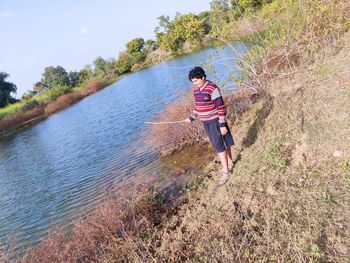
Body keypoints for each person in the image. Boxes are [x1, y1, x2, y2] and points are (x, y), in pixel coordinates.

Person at [185, 66, 234, 185]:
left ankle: (226, 172)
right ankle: (230, 163)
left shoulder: (212, 88)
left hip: (216, 122)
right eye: (193, 82)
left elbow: (220, 107)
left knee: (220, 146)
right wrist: (191, 117)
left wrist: (222, 125)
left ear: (203, 77)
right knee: (222, 144)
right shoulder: (196, 91)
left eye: (196, 80)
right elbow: (198, 107)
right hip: (206, 123)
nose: (195, 83)